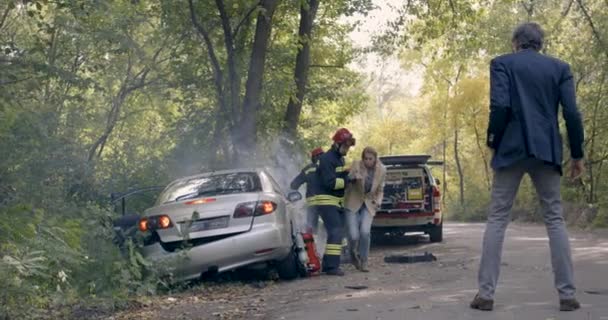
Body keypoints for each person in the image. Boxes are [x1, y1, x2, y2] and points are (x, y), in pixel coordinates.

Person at [470, 22, 585, 312]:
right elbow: (571, 112)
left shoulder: (502, 64)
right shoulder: (560, 68)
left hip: (510, 148)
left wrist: (493, 140)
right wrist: (577, 154)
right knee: (555, 219)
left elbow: (500, 106)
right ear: (540, 44)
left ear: (515, 42)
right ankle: (567, 294)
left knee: (497, 219)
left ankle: (485, 294)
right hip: (546, 148)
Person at [316, 128, 356, 276]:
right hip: (326, 201)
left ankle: (328, 263)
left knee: (338, 232)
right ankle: (332, 267)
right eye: (345, 146)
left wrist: (346, 173)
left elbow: (337, 175)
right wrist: (348, 179)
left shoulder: (339, 158)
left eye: (348, 147)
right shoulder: (326, 159)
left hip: (336, 202)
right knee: (335, 231)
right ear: (337, 144)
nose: (347, 149)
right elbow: (330, 183)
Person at [344, 146, 386, 272]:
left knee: (365, 232)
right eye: (366, 159)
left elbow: (380, 190)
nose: (368, 161)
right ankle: (352, 254)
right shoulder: (356, 164)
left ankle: (364, 261)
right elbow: (348, 178)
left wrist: (378, 201)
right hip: (353, 202)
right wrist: (353, 177)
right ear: (362, 159)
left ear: (375, 159)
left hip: (369, 203)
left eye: (370, 159)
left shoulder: (382, 170)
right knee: (353, 235)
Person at [290, 147, 324, 233]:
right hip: (328, 202)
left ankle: (313, 243)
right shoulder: (330, 168)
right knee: (332, 226)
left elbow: (294, 184)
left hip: (313, 203)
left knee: (311, 227)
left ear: (313, 158)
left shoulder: (308, 169)